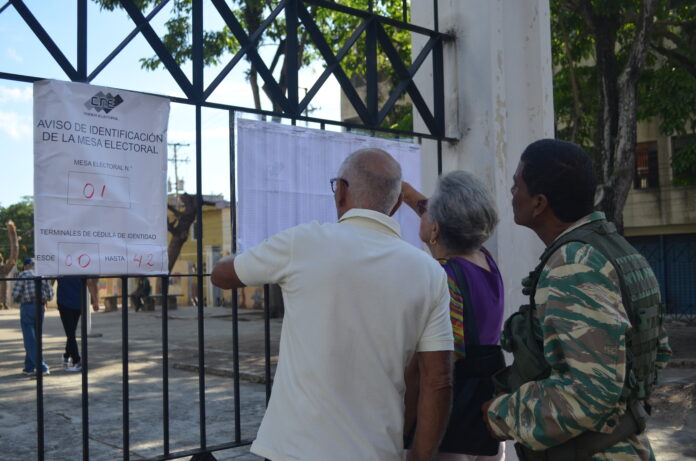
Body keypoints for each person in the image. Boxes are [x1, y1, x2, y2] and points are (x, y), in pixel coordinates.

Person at [211, 148, 454, 461]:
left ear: (340, 191)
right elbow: (438, 380)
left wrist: (248, 256)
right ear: (395, 205)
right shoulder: (429, 272)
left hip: (295, 450)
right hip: (377, 452)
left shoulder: (302, 243)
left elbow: (221, 275)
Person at [483, 139, 672, 460]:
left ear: (540, 202)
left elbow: (589, 392)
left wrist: (501, 413)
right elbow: (658, 353)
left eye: (517, 186)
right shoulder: (613, 249)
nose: (512, 195)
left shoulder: (575, 265)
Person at [402, 172, 506, 461]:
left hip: (448, 432)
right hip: (483, 424)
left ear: (435, 229)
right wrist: (408, 193)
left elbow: (429, 372)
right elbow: (459, 216)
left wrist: (405, 430)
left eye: (427, 210)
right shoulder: (483, 258)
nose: (421, 212)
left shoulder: (442, 279)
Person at [12, 258, 54, 376]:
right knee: (36, 337)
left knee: (29, 339)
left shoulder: (23, 274)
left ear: (26, 266)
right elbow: (50, 295)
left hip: (27, 307)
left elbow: (15, 294)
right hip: (40, 308)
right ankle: (29, 367)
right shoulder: (43, 275)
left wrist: (20, 299)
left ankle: (42, 367)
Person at [57, 277, 99, 372]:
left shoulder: (61, 264)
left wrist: (95, 300)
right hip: (76, 302)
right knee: (71, 332)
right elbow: (89, 283)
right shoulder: (79, 264)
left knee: (70, 333)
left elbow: (89, 282)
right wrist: (95, 300)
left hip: (68, 302)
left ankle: (77, 361)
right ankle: (66, 355)